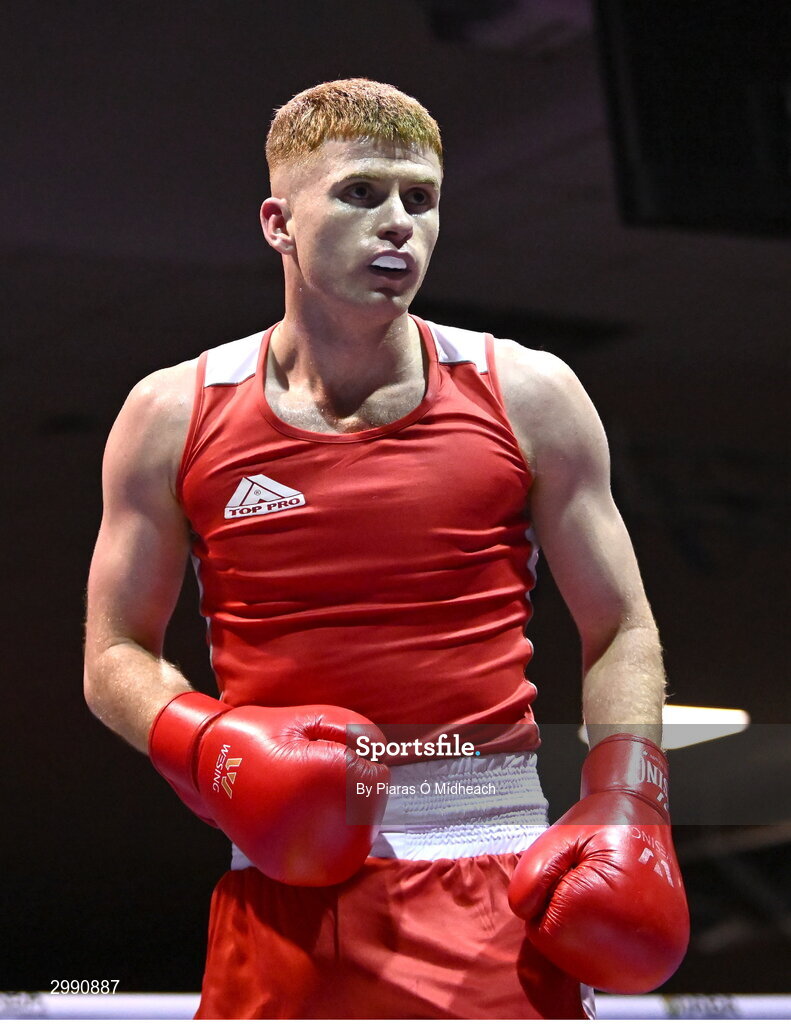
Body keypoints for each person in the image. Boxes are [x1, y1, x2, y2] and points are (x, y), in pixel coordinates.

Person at [83, 78, 689, 1019]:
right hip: (282, 894)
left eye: (421, 197)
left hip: (489, 887)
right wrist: (212, 749)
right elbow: (114, 653)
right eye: (361, 193)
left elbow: (620, 627)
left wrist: (628, 798)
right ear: (279, 223)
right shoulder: (173, 414)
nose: (398, 222)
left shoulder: (524, 394)